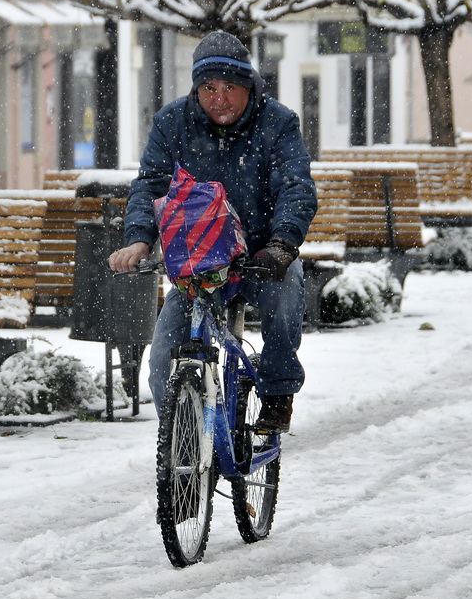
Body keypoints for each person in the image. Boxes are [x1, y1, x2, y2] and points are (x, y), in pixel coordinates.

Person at [108, 30, 318, 433]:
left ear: (248, 86)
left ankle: (277, 392)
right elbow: (151, 186)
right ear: (196, 89)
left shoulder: (278, 123)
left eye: (229, 87)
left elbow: (295, 188)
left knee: (287, 292)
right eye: (208, 87)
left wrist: (281, 245)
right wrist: (139, 238)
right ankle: (184, 445)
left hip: (260, 257)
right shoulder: (173, 123)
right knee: (164, 357)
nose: (219, 98)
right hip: (198, 265)